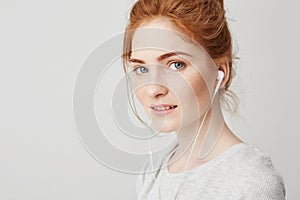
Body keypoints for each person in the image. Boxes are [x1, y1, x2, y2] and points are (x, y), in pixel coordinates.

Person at [122, 0, 286, 199]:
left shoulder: (250, 182)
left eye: (176, 65)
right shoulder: (151, 173)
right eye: (142, 69)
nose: (153, 89)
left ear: (220, 73)